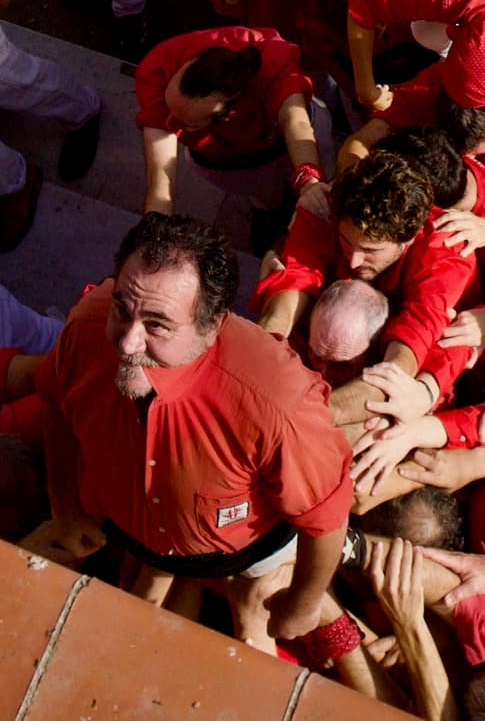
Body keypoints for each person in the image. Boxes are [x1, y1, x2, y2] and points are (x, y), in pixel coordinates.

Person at [31, 212, 352, 648]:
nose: (127, 342)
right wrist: (64, 505)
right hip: (130, 533)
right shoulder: (86, 327)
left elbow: (326, 514)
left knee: (247, 636)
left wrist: (302, 603)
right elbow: (55, 398)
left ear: (212, 325)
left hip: (246, 554)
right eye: (122, 308)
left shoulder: (276, 402)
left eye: (157, 325)